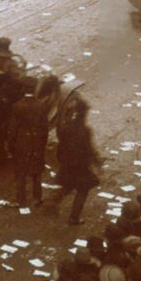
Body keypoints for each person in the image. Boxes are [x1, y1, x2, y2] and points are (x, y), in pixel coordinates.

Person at [53, 96, 100, 224]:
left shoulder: (66, 127)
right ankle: (74, 218)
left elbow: (61, 146)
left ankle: (52, 202)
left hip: (68, 163)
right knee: (82, 190)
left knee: (68, 185)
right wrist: (97, 161)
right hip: (81, 165)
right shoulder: (85, 130)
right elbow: (89, 149)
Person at [10, 85, 51, 209]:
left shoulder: (17, 106)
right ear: (35, 90)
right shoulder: (41, 105)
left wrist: (11, 147)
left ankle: (21, 200)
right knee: (36, 172)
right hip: (37, 142)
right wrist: (42, 144)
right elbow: (45, 128)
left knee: (21, 173)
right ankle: (37, 198)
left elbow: (13, 130)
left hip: (22, 142)